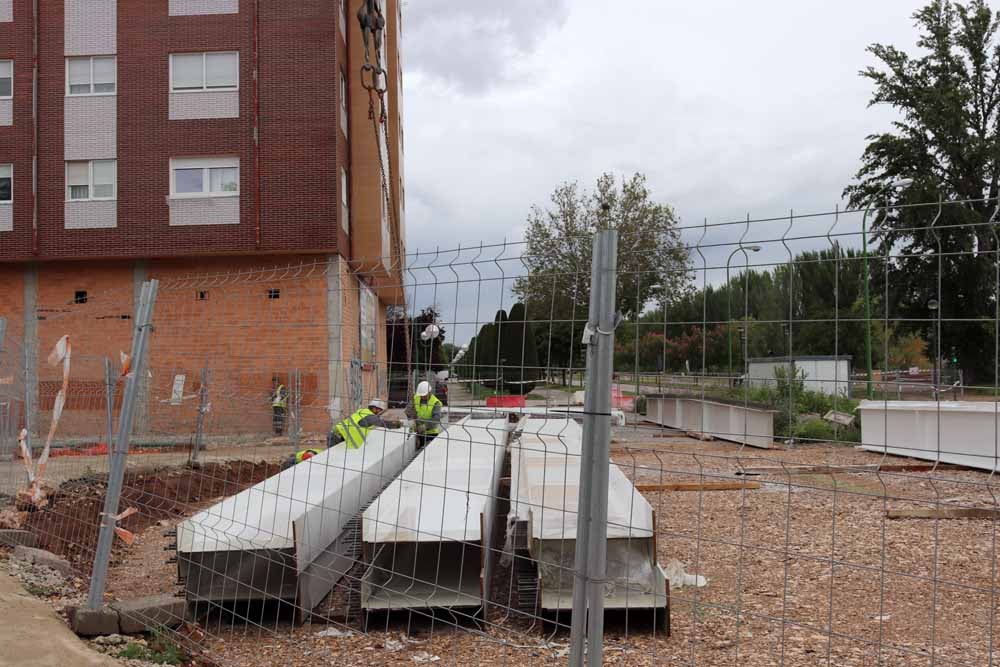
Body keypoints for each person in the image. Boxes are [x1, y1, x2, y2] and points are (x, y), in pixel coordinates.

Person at [283, 398, 401, 469]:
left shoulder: (362, 412)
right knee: (331, 460)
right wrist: (399, 424)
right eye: (379, 411)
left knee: (331, 458)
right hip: (338, 438)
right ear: (375, 408)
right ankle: (300, 457)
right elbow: (383, 423)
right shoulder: (370, 417)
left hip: (338, 436)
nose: (379, 413)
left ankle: (300, 457)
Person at [406, 381, 442, 451]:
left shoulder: (436, 403)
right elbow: (408, 411)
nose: (422, 397)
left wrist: (424, 426)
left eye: (424, 395)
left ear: (429, 392)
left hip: (430, 434)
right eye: (421, 395)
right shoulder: (416, 398)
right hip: (416, 432)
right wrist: (411, 417)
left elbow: (436, 420)